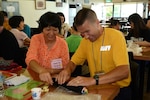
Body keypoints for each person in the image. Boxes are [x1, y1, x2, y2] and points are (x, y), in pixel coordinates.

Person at [56, 8, 131, 100]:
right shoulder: (85, 41)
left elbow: (124, 71)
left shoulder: (116, 36)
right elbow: (74, 61)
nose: (86, 36)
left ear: (97, 23)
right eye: (82, 33)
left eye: (87, 31)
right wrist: (67, 70)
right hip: (97, 88)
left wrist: (93, 80)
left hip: (119, 90)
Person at [25, 11, 69, 84]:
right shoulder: (36, 39)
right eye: (48, 30)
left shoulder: (62, 43)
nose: (51, 33)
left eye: (55, 30)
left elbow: (65, 66)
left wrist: (50, 71)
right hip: (33, 79)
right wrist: (42, 71)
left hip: (53, 81)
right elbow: (30, 59)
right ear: (42, 29)